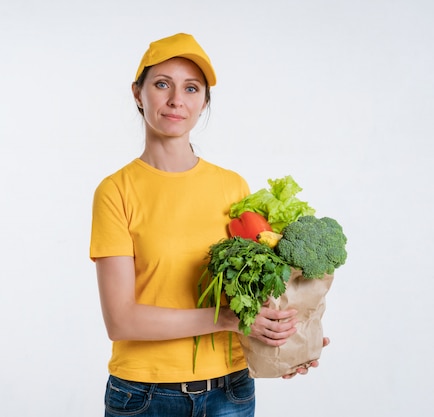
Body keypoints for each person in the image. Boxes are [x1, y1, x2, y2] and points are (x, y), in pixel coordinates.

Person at [89, 33, 328, 417]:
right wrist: (231, 320)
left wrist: (289, 338)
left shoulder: (232, 187)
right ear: (138, 93)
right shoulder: (116, 191)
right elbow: (121, 319)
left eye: (191, 88)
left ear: (203, 102)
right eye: (162, 84)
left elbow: (256, 290)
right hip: (145, 396)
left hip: (230, 391)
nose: (176, 100)